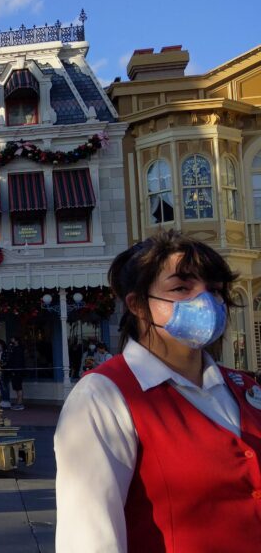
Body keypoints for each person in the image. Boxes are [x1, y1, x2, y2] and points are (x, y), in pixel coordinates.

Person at [55, 230, 261, 552]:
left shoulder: (245, 387)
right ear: (138, 305)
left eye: (216, 290)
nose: (206, 300)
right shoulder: (102, 397)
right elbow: (90, 539)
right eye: (181, 288)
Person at [4, 338, 25, 410]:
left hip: (18, 370)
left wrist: (15, 370)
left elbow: (18, 361)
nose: (11, 342)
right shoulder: (13, 349)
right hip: (14, 370)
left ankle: (20, 403)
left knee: (18, 387)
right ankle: (18, 402)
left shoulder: (19, 349)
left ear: (17, 341)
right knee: (16, 387)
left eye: (13, 340)